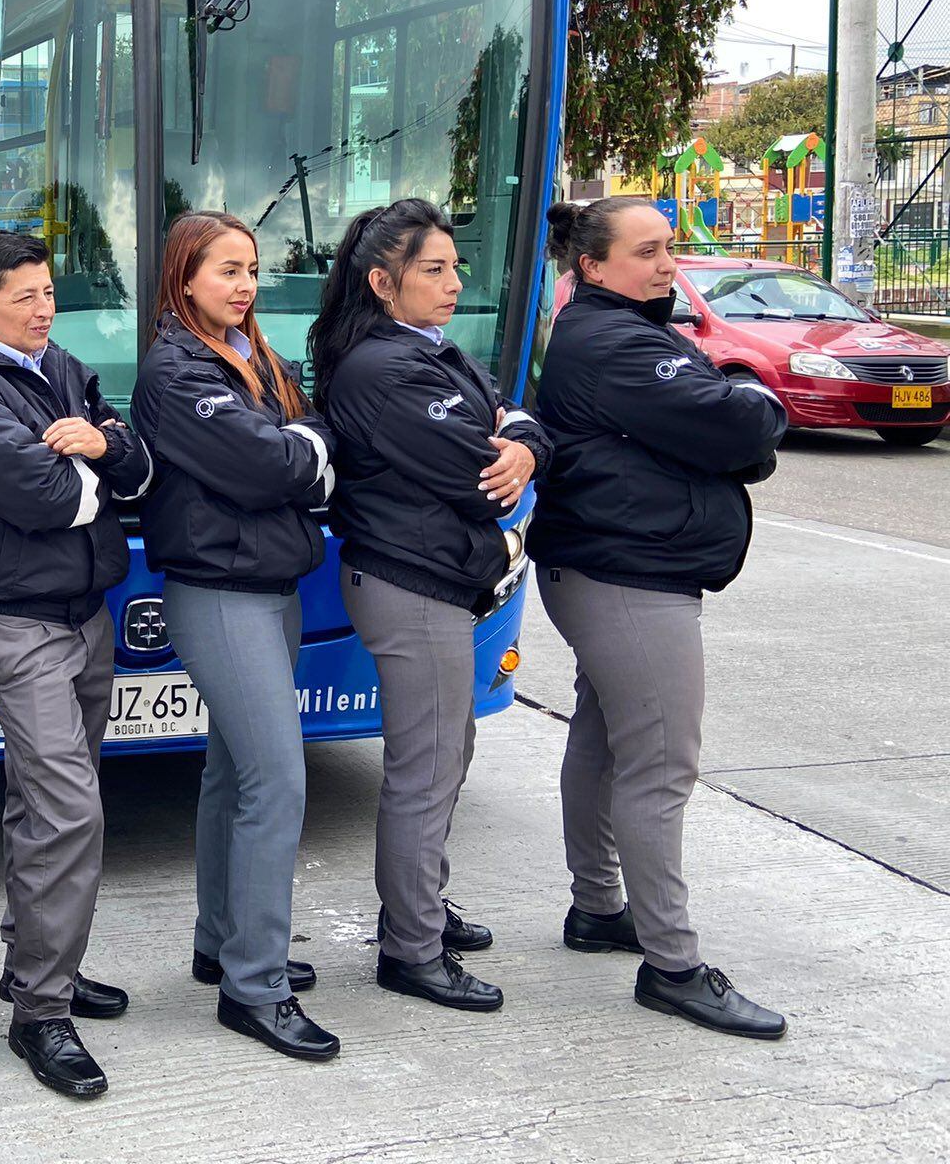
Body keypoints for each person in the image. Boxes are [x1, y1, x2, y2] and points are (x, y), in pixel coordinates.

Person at [531, 197, 790, 1039]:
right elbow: (730, 424)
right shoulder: (614, 342)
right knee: (662, 765)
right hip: (630, 578)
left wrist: (732, 410)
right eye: (646, 252)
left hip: (609, 566)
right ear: (593, 267)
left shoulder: (612, 332)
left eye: (670, 248)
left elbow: (717, 426)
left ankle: (599, 907)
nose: (668, 265)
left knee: (605, 739)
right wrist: (748, 396)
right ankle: (672, 965)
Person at [0, 231, 150, 1100]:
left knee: (45, 801)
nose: (43, 308)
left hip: (88, 617)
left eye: (48, 291)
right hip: (17, 625)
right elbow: (44, 494)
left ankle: (36, 965)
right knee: (67, 812)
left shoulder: (64, 367)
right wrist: (92, 464)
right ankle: (41, 1016)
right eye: (22, 297)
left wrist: (100, 451)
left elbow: (136, 469)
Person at [309, 198, 550, 1015]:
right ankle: (411, 948)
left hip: (435, 581)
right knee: (428, 767)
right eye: (434, 270)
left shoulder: (430, 349)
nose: (455, 283)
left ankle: (420, 906)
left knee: (447, 754)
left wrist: (524, 441)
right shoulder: (384, 369)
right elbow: (477, 474)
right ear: (383, 282)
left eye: (455, 266)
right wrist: (512, 446)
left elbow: (517, 418)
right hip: (414, 589)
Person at [134, 211, 341, 1063]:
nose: (245, 284)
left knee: (232, 775)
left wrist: (301, 447)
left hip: (271, 588)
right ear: (186, 279)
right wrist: (301, 453)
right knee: (277, 783)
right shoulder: (176, 368)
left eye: (251, 268)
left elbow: (320, 434)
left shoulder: (254, 354)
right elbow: (267, 465)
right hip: (220, 595)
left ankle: (221, 941)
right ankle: (255, 988)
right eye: (226, 270)